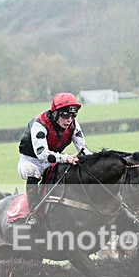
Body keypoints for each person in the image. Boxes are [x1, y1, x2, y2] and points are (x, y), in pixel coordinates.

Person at [18, 92, 91, 226]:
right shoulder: (39, 124)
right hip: (30, 161)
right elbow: (43, 155)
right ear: (55, 113)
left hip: (53, 160)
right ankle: (33, 212)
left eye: (73, 115)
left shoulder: (73, 125)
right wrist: (66, 157)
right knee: (33, 171)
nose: (69, 120)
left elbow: (83, 149)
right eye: (65, 115)